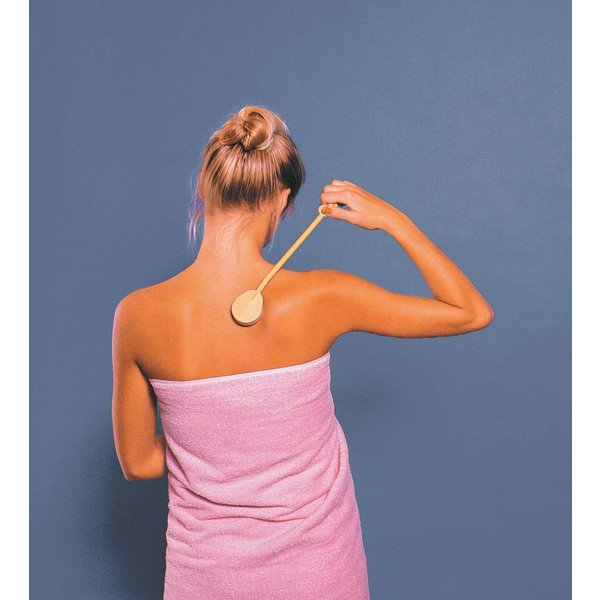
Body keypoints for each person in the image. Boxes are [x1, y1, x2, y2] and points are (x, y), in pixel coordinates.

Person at [111, 105, 494, 599]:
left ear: (204, 187)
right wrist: (392, 221)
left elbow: (139, 462)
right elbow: (469, 312)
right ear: (283, 200)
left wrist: (212, 447)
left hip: (207, 580)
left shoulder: (138, 315)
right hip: (321, 576)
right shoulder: (322, 297)